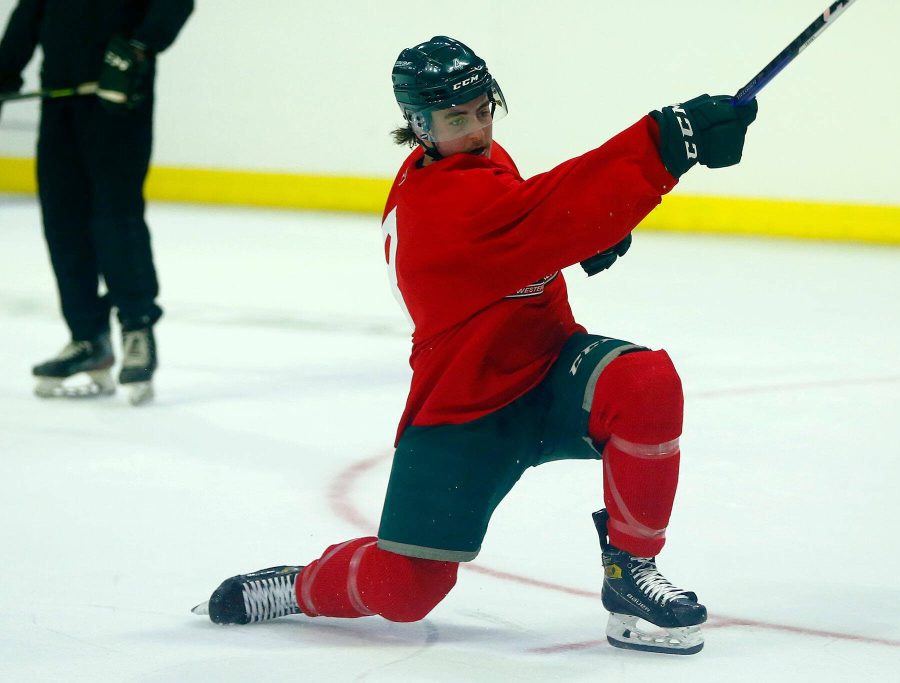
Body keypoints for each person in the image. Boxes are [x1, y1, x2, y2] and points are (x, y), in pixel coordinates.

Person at [192, 36, 757, 655]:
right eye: (457, 120)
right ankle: (299, 587)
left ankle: (629, 574)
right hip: (464, 408)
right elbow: (536, 219)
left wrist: (581, 232)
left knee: (644, 382)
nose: (478, 129)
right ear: (418, 126)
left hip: (546, 370)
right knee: (405, 591)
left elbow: (535, 217)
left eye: (485, 110)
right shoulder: (438, 207)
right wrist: (672, 140)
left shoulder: (475, 162)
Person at [0, 0, 194, 405]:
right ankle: (88, 338)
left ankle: (137, 328)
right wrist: (5, 69)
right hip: (60, 101)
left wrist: (140, 47)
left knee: (114, 219)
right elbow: (30, 12)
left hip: (119, 101)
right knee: (63, 223)